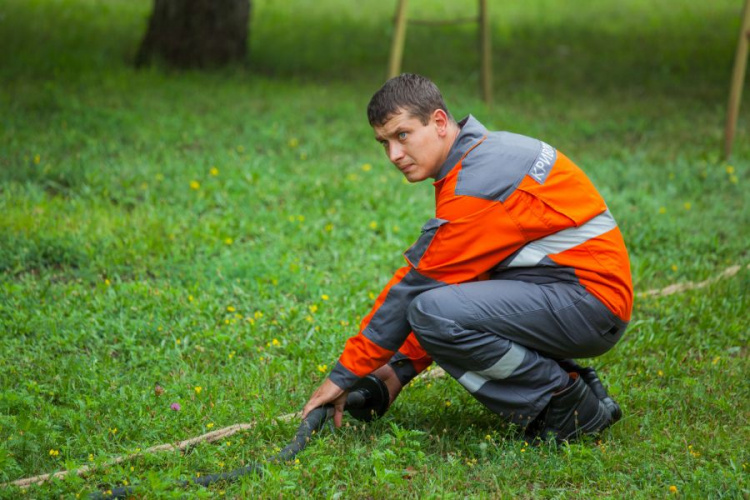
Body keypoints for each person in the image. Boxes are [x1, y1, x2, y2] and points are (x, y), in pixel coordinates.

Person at [302, 73, 633, 442]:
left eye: (402, 135)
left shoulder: (476, 186)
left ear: (440, 122)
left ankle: (565, 406)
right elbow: (460, 280)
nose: (393, 155)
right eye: (384, 143)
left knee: (431, 310)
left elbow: (415, 291)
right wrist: (399, 369)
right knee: (439, 307)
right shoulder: (480, 156)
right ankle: (572, 383)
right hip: (573, 291)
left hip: (590, 302)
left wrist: (343, 375)